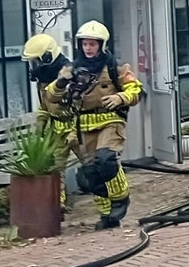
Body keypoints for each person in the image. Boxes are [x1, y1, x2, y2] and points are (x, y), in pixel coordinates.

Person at [42, 21, 142, 230]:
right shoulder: (71, 69)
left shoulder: (117, 67)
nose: (88, 48)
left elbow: (136, 90)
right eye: (85, 44)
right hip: (82, 126)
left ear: (102, 45)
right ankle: (107, 216)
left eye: (92, 44)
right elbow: (50, 96)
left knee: (106, 159)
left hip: (109, 121)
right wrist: (61, 82)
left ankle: (120, 197)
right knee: (92, 174)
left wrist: (121, 97)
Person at [22, 34, 73, 211]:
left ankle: (109, 210)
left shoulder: (69, 75)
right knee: (56, 167)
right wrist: (41, 123)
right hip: (56, 128)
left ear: (48, 57)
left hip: (79, 127)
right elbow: (45, 105)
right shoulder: (43, 80)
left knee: (93, 165)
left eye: (36, 61)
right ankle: (58, 205)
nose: (34, 67)